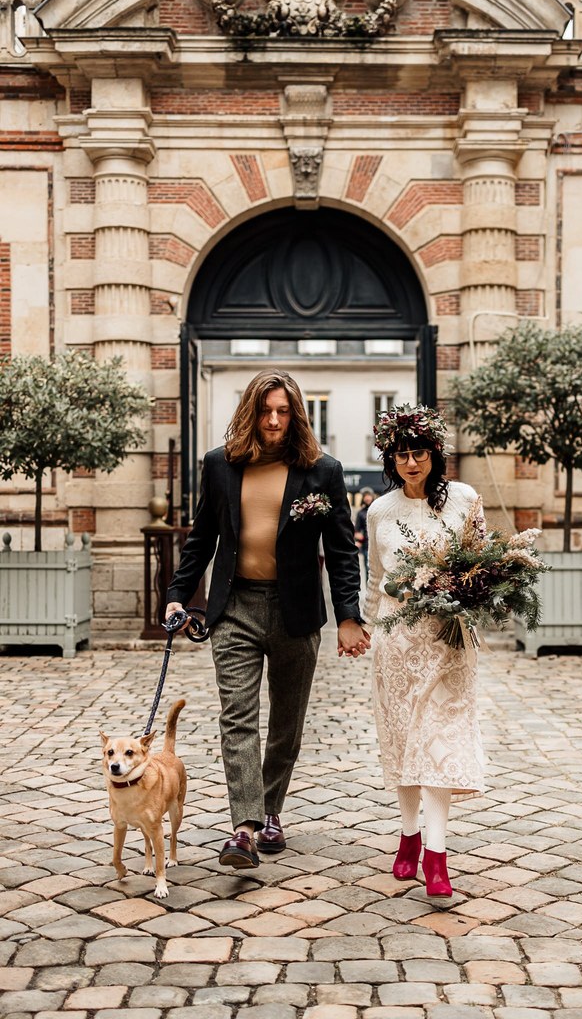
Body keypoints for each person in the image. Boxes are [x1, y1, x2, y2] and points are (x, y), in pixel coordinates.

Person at [166, 369, 370, 870]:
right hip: (234, 606)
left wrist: (348, 616)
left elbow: (343, 551)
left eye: (282, 411)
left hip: (296, 611)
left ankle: (272, 809)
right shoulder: (220, 465)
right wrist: (176, 594)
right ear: (250, 412)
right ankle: (244, 828)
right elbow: (202, 539)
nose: (274, 420)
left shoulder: (322, 469)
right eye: (265, 410)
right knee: (237, 716)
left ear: (295, 414)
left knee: (286, 723)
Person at [363, 405, 486, 897]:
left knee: (439, 739)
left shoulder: (464, 499)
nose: (410, 462)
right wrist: (363, 627)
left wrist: (470, 598)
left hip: (451, 640)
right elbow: (375, 578)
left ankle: (436, 854)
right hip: (397, 643)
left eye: (418, 452)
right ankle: (408, 836)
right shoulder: (379, 511)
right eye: (401, 454)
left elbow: (482, 563)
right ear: (391, 459)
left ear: (435, 454)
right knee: (401, 740)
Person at [354, 487, 376, 579]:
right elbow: (357, 530)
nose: (367, 498)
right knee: (368, 570)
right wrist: (358, 539)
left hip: (378, 544)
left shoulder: (377, 509)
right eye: (365, 496)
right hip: (367, 545)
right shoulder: (360, 513)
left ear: (372, 497)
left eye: (368, 496)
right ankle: (369, 592)